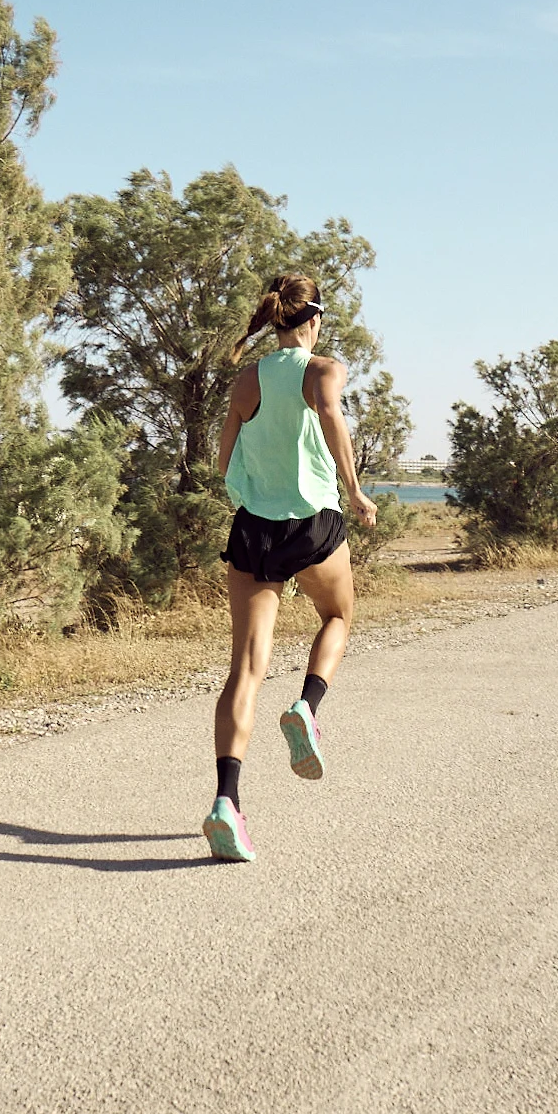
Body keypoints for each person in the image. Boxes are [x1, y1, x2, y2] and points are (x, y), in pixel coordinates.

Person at [202, 273, 379, 862]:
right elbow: (330, 417)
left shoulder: (247, 378)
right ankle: (306, 705)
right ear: (314, 320)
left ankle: (226, 802)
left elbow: (224, 450)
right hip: (310, 521)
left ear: (275, 320)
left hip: (254, 526)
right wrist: (354, 491)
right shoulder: (323, 369)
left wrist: (245, 489)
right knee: (337, 616)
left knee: (245, 670)